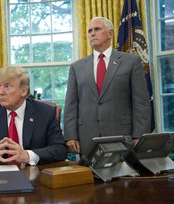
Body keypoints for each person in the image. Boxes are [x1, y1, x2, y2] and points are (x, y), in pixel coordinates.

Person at [64, 17, 151, 155]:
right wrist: (70, 136)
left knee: (124, 176)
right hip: (87, 138)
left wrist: (139, 135)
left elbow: (141, 102)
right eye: (90, 31)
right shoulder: (77, 67)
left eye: (97, 29)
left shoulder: (131, 62)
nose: (92, 33)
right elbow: (71, 104)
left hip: (122, 136)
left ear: (110, 34)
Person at [0, 66, 68, 165]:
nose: (1, 92)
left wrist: (27, 156)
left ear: (23, 91)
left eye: (7, 86)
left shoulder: (45, 113)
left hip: (33, 174)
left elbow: (60, 149)